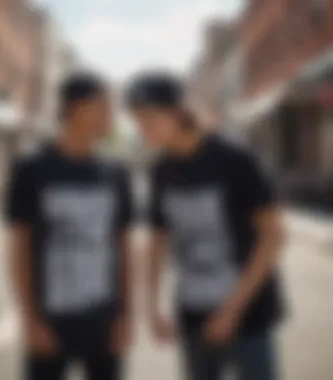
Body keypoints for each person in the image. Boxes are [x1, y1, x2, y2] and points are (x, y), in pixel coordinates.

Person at [125, 72, 285, 380]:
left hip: (247, 316)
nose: (141, 127)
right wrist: (152, 308)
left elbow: (273, 236)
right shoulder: (161, 171)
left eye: (149, 117)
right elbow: (157, 242)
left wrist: (231, 311)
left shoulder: (235, 159)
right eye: (136, 119)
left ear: (178, 113)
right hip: (193, 314)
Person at [5, 73, 133, 380]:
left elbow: (124, 250)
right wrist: (30, 320)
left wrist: (125, 316)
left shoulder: (116, 174)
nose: (110, 115)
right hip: (50, 324)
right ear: (75, 109)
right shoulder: (31, 169)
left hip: (103, 322)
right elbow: (19, 251)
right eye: (103, 106)